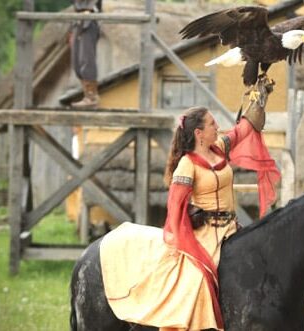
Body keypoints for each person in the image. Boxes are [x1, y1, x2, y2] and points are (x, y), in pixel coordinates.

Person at [100, 87, 280, 330]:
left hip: (231, 228)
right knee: (198, 279)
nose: (217, 127)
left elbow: (244, 129)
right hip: (201, 234)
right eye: (212, 124)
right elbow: (175, 207)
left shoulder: (219, 147)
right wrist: (178, 241)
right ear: (199, 133)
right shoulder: (186, 166)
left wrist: (260, 98)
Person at [70, 0, 102, 108]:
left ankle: (91, 97)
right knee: (76, 61)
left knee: (86, 58)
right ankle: (87, 95)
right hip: (78, 18)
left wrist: (90, 8)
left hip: (90, 18)